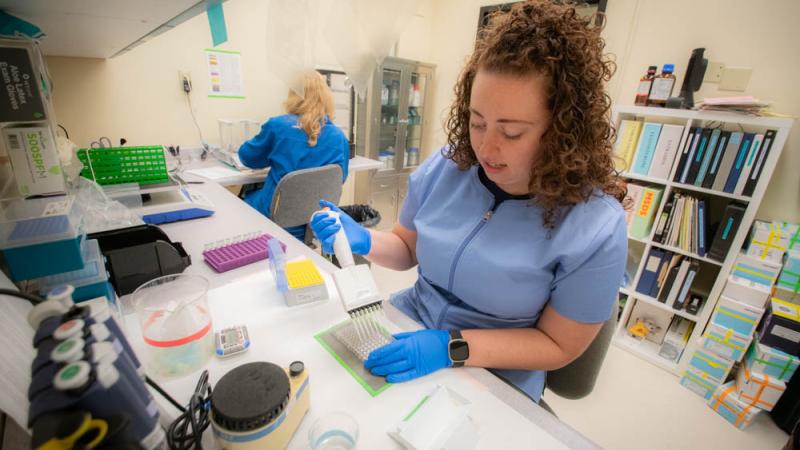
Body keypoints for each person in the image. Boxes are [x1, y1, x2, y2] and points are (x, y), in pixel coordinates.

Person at [311, 0, 627, 403]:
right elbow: (408, 247)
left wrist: (451, 347)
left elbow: (558, 345)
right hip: (410, 324)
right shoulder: (447, 167)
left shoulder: (594, 225)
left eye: (511, 133)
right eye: (478, 122)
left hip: (495, 372)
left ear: (563, 131)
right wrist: (365, 240)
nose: (486, 147)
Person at [239, 71, 350, 240]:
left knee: (242, 200)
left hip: (273, 215)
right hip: (313, 223)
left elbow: (247, 157)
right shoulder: (339, 136)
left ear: (294, 96)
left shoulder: (278, 126)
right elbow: (339, 178)